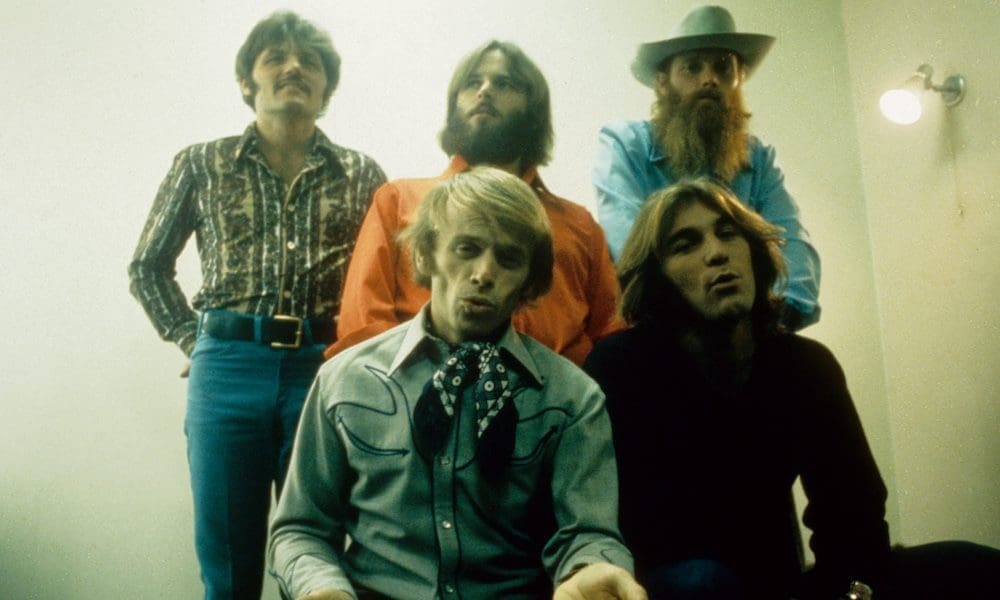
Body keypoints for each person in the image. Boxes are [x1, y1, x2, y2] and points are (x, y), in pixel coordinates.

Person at [582, 178, 1000, 599]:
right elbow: (634, 531)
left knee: (972, 566)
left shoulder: (804, 365)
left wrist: (853, 590)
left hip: (785, 586)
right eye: (685, 245)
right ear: (657, 278)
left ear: (753, 252)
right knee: (702, 582)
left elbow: (855, 516)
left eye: (728, 233)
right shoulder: (620, 368)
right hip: (675, 585)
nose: (717, 252)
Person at [269, 167, 646, 600]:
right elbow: (301, 529)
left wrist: (589, 570)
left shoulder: (571, 398)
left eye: (509, 259)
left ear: (530, 281)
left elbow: (588, 532)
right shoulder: (347, 380)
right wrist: (323, 589)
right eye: (466, 248)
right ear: (425, 255)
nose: (483, 273)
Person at [128, 12, 386, 599]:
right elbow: (147, 266)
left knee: (318, 552)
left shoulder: (362, 173)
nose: (293, 67)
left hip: (325, 369)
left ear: (326, 86)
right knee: (227, 561)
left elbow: (382, 279)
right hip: (227, 369)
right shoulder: (201, 163)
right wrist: (193, 339)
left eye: (309, 62)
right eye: (275, 57)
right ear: (248, 80)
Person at [329, 39, 621, 366]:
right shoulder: (397, 201)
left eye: (503, 83)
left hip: (553, 394)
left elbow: (612, 336)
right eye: (472, 83)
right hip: (413, 389)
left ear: (534, 109)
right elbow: (363, 325)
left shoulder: (581, 226)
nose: (484, 91)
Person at [592, 4, 820, 330]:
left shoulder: (758, 158)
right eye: (692, 67)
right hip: (663, 331)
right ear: (662, 82)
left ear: (739, 79)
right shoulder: (626, 144)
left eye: (723, 67)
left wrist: (775, 320)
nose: (710, 79)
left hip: (749, 331)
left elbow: (791, 244)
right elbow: (629, 245)